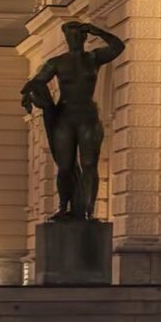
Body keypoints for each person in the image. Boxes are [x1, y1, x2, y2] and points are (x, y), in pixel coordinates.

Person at [21, 20, 126, 221]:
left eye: (78, 35)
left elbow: (118, 46)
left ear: (85, 37)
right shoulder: (57, 62)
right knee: (65, 166)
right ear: (66, 38)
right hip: (65, 116)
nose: (74, 39)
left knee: (89, 164)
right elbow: (37, 81)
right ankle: (63, 206)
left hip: (87, 116)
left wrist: (98, 30)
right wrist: (29, 94)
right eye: (71, 35)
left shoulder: (93, 58)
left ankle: (89, 211)